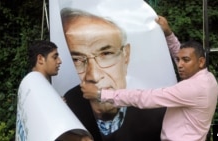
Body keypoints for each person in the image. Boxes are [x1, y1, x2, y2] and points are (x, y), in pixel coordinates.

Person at [61, 7, 181, 141]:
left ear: (126, 55)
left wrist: (168, 34)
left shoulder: (156, 110)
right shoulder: (67, 106)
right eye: (77, 59)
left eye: (106, 54)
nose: (93, 76)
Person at [82, 40, 218, 141]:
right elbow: (186, 53)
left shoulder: (192, 88)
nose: (180, 65)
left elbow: (146, 97)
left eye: (185, 60)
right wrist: (169, 35)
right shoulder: (208, 78)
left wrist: (100, 94)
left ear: (201, 62)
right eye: (178, 60)